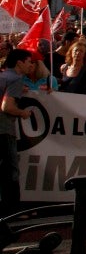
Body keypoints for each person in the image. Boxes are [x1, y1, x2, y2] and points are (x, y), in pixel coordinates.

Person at [1, 48, 33, 218]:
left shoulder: (3, 76)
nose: (31, 65)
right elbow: (7, 107)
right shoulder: (16, 79)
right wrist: (23, 113)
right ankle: (13, 211)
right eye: (29, 61)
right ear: (20, 63)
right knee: (10, 170)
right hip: (5, 130)